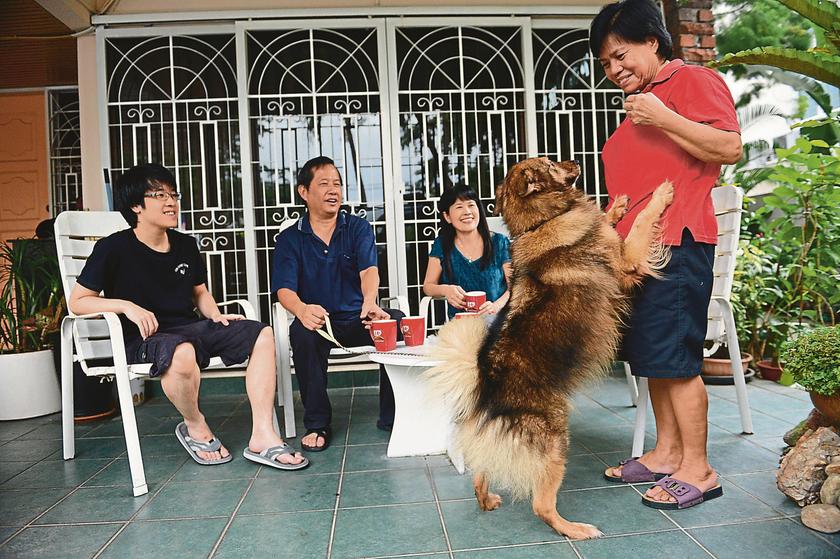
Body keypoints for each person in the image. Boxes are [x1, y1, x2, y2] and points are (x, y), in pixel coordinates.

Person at [590, 0, 742, 509]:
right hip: (636, 258)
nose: (613, 70)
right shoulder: (643, 101)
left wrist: (663, 115)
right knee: (654, 359)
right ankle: (665, 453)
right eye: (606, 63)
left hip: (677, 244)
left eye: (620, 54)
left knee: (677, 362)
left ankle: (699, 470)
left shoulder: (691, 83)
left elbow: (727, 147)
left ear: (652, 41)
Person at [69, 163, 308, 470]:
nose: (171, 202)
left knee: (261, 334)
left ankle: (263, 434)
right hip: (145, 338)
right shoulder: (112, 248)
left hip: (190, 328)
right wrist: (126, 306)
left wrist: (215, 314)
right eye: (159, 195)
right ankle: (195, 424)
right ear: (135, 206)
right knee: (181, 354)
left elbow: (199, 292)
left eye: (173, 194)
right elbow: (78, 302)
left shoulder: (186, 244)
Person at [272, 156, 404, 452]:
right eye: (324, 184)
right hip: (318, 322)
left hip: (358, 318)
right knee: (301, 335)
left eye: (337, 184)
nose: (334, 190)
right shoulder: (290, 239)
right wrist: (302, 310)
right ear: (303, 192)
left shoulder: (357, 228)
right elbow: (284, 290)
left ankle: (393, 414)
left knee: (396, 321)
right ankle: (317, 423)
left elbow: (369, 270)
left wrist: (370, 302)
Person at [422, 185, 512, 319]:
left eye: (471, 205)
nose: (467, 212)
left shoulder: (500, 243)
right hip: (460, 326)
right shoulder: (442, 245)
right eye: (459, 207)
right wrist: (446, 290)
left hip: (498, 323)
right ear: (447, 217)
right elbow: (428, 286)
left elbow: (514, 286)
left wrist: (496, 306)